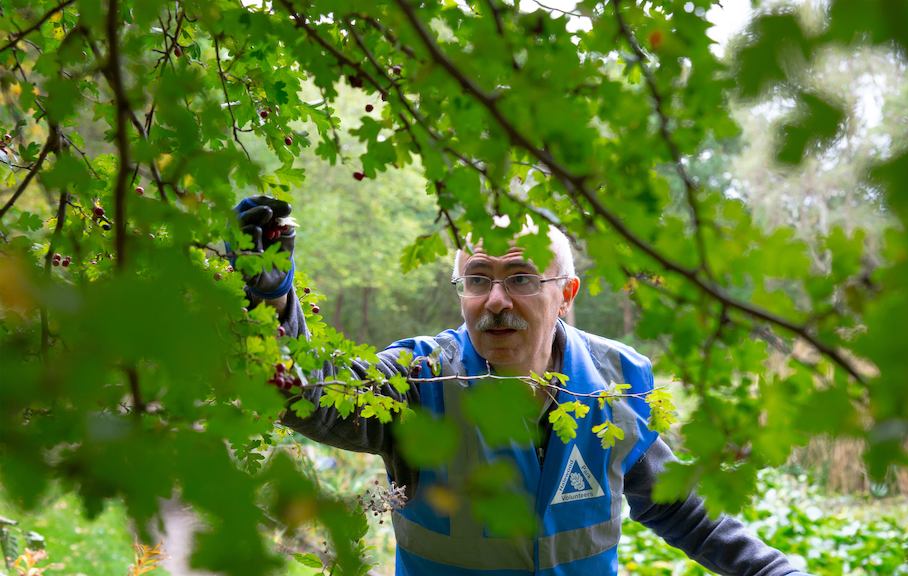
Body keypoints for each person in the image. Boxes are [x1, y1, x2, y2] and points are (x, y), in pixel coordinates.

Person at [234, 196, 810, 576]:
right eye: (478, 279)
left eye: (522, 278)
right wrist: (271, 307)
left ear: (567, 294)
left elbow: (685, 512)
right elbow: (309, 398)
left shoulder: (615, 386)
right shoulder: (418, 381)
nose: (497, 300)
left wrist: (774, 572)